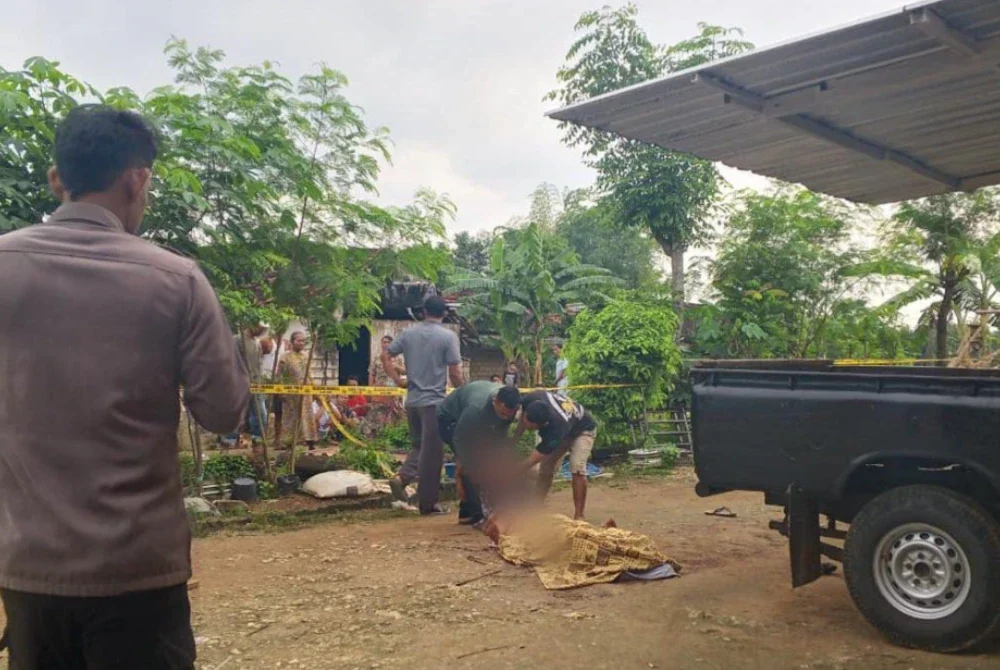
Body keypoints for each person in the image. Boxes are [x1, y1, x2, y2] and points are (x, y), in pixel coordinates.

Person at [0, 105, 249, 669]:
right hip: (136, 572)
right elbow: (224, 411)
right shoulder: (176, 279)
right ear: (139, 179)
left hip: (28, 568)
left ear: (57, 180)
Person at [383, 296, 464, 515]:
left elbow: (386, 355)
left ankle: (401, 478)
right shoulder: (448, 337)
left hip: (412, 402)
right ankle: (428, 505)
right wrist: (464, 392)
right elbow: (455, 372)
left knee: (419, 448)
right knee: (433, 455)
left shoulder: (408, 333)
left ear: (423, 312)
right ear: (444, 313)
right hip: (434, 403)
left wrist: (398, 380)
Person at [437, 381, 521, 525]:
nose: (506, 418)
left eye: (509, 415)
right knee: (472, 465)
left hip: (473, 419)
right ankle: (477, 515)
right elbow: (460, 439)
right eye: (502, 414)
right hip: (449, 420)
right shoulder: (476, 408)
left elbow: (499, 437)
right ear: (495, 402)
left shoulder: (509, 409)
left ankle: (470, 511)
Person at [516, 390, 598, 520]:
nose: (527, 426)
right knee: (546, 468)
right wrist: (513, 440)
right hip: (567, 426)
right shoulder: (530, 398)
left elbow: (538, 455)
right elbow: (522, 421)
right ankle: (536, 507)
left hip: (583, 430)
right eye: (526, 420)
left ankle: (579, 516)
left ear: (542, 425)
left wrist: (516, 470)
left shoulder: (556, 427)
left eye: (532, 427)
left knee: (577, 468)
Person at [278, 331, 318, 450]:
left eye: (303, 341)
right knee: (290, 417)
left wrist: (314, 391)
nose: (301, 343)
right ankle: (288, 442)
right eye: (299, 340)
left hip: (306, 392)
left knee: (307, 416)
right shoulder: (285, 358)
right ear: (292, 342)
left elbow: (310, 375)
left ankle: (310, 441)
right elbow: (280, 375)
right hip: (290, 394)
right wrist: (281, 391)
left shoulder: (306, 357)